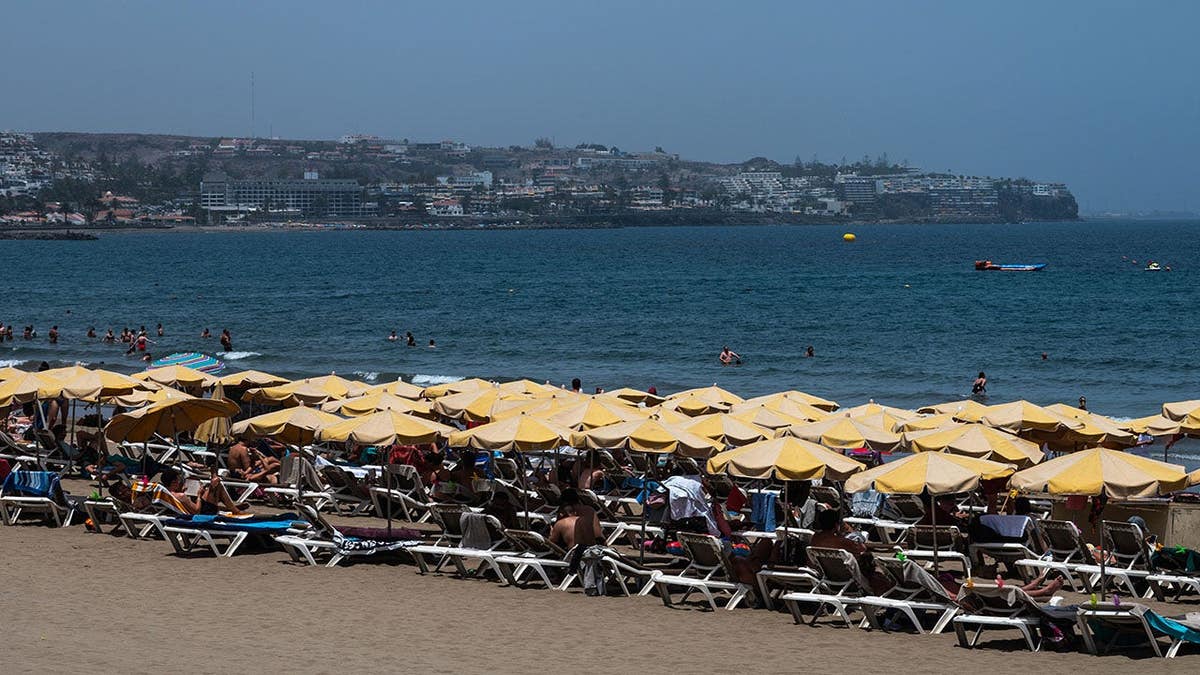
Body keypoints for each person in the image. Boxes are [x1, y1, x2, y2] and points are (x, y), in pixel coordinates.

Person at [159, 467, 244, 516]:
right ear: (173, 482)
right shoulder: (180, 496)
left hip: (193, 511)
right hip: (203, 514)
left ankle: (231, 508)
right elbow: (196, 511)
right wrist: (199, 495)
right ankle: (235, 510)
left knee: (212, 487)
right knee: (217, 486)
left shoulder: (165, 493)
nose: (180, 481)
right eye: (178, 480)